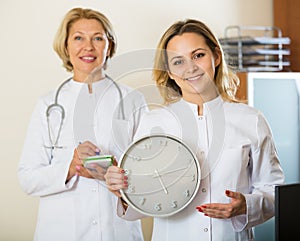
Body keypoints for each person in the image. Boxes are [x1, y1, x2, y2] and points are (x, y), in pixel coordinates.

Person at [104, 19, 285, 241]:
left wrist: (246, 206)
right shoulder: (153, 122)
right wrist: (122, 191)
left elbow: (275, 191)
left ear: (216, 57)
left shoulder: (250, 120)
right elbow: (144, 201)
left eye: (198, 55)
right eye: (178, 61)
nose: (190, 68)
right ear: (168, 71)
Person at [18, 7, 147, 241]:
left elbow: (148, 176)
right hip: (62, 231)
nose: (88, 47)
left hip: (117, 231)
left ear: (109, 46)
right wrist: (70, 167)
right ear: (66, 46)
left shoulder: (133, 100)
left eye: (98, 38)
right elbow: (27, 179)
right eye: (78, 38)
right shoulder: (48, 104)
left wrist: (122, 176)